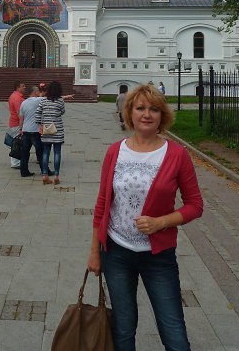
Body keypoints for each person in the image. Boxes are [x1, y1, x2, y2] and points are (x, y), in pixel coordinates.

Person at [87, 84, 203, 351]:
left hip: (158, 257)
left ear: (163, 115)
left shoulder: (177, 155)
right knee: (123, 329)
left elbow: (195, 205)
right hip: (116, 252)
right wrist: (95, 252)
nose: (147, 114)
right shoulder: (115, 151)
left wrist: (161, 222)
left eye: (154, 109)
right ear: (130, 113)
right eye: (140, 108)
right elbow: (102, 204)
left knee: (174, 333)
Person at [35, 80, 65, 185]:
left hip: (46, 129)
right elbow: (62, 112)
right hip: (57, 130)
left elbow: (37, 113)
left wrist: (40, 125)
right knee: (57, 153)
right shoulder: (60, 101)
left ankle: (44, 175)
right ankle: (56, 175)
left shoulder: (43, 101)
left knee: (45, 153)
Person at [18, 85, 41, 177]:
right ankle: (45, 171)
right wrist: (66, 97)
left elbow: (21, 118)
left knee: (25, 153)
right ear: (35, 92)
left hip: (25, 130)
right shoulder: (37, 100)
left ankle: (24, 171)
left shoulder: (23, 103)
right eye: (38, 91)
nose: (39, 93)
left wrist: (20, 129)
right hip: (35, 131)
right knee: (40, 152)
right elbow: (51, 98)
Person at [8, 81, 26, 168]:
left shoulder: (14, 96)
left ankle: (16, 161)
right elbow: (20, 113)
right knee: (17, 143)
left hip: (14, 122)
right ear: (18, 87)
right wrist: (21, 126)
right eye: (23, 86)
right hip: (17, 123)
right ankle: (16, 163)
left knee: (16, 142)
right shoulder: (17, 98)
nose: (25, 87)